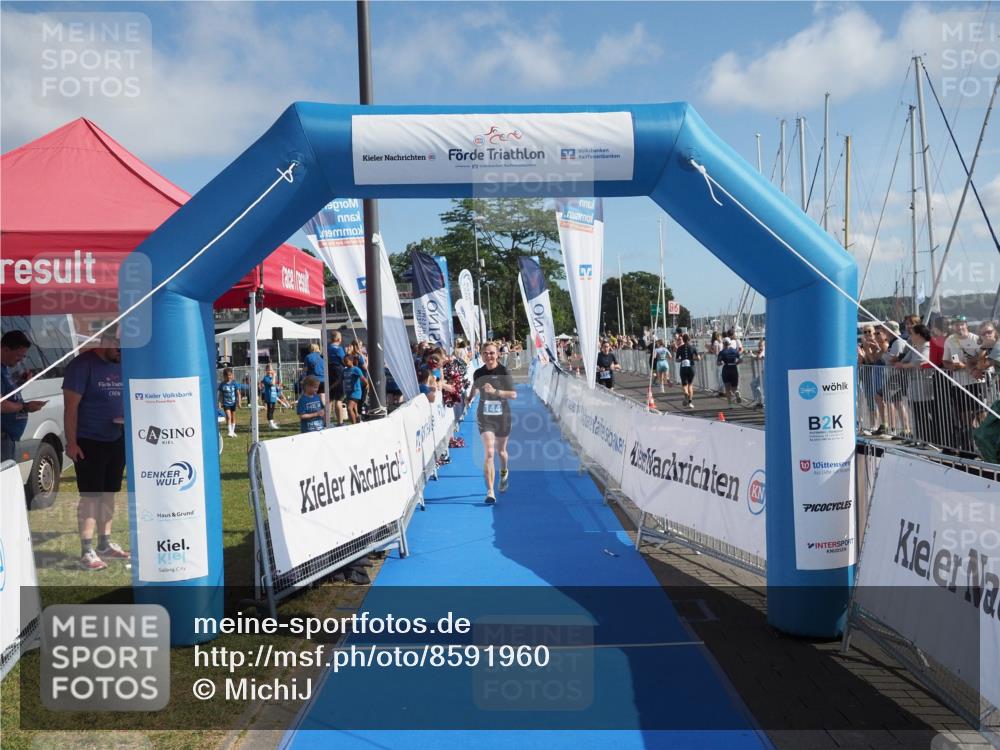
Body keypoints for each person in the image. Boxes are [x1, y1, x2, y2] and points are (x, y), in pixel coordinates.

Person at [63, 331, 128, 571]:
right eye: (119, 348)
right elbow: (71, 408)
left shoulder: (121, 362)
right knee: (91, 497)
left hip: (116, 437)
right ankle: (86, 550)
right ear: (106, 343)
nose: (122, 354)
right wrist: (72, 443)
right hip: (88, 441)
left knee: (110, 493)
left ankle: (104, 544)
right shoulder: (82, 366)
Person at [470, 342, 516, 505]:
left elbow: (513, 394)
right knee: (489, 452)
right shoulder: (478, 372)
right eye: (485, 353)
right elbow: (475, 387)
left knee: (501, 452)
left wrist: (495, 391)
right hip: (485, 416)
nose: (488, 356)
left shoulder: (504, 371)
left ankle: (504, 472)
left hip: (502, 416)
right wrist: (469, 398)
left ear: (497, 354)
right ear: (481, 355)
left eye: (491, 353)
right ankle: (490, 491)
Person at [1, 330, 46, 463]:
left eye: (24, 356)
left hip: (7, 438)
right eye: (19, 355)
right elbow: (1, 404)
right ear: (5, 349)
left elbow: (7, 394)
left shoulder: (5, 368)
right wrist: (25, 407)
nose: (21, 360)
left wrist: (21, 383)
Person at [674, 333, 700, 409]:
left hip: (683, 367)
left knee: (684, 384)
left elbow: (676, 359)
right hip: (691, 367)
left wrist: (682, 359)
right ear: (689, 339)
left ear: (683, 339)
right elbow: (698, 358)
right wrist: (693, 359)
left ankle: (685, 393)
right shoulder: (693, 347)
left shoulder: (679, 348)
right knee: (690, 385)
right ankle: (690, 402)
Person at [342, 354, 367, 425]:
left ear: (351, 361)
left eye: (346, 361)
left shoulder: (356, 369)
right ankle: (358, 420)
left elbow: (363, 378)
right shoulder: (344, 370)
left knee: (349, 408)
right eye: (344, 361)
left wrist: (367, 384)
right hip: (348, 393)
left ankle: (354, 425)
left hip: (356, 392)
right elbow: (340, 380)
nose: (345, 363)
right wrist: (331, 387)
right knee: (354, 410)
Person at [717, 338, 742, 405]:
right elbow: (741, 360)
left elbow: (718, 363)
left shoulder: (722, 352)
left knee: (727, 388)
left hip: (726, 369)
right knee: (734, 388)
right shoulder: (735, 351)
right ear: (730, 343)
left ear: (723, 344)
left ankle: (730, 404)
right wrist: (736, 363)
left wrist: (721, 363)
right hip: (734, 369)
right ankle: (736, 392)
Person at [218, 367, 241, 438]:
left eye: (230, 375)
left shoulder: (234, 383)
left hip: (233, 403)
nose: (229, 377)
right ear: (224, 376)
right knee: (228, 416)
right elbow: (220, 394)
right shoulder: (222, 384)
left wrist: (239, 402)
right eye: (227, 375)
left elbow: (238, 393)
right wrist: (219, 402)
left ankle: (233, 431)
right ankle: (230, 431)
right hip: (226, 403)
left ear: (232, 375)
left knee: (233, 417)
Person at [261, 365, 281, 430]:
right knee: (270, 410)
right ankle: (271, 423)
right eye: (268, 370)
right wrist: (274, 376)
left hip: (273, 396)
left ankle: (271, 423)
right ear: (266, 371)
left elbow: (274, 386)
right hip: (269, 396)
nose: (270, 371)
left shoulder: (272, 377)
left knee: (272, 410)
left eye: (271, 370)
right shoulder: (265, 378)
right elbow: (272, 384)